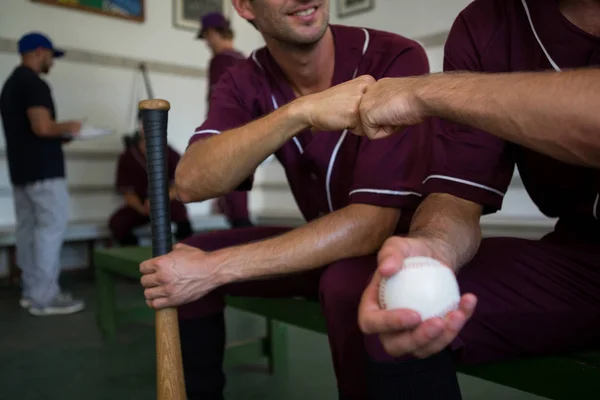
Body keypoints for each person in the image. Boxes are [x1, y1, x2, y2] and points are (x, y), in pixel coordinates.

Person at [139, 0, 431, 398]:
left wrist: (216, 268)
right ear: (244, 6)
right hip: (324, 245)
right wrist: (301, 112)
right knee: (182, 258)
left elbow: (371, 226)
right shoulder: (245, 78)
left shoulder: (394, 56)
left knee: (347, 285)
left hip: (397, 254)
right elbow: (191, 181)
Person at [353, 0, 600, 399]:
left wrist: (425, 91)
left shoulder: (423, 82)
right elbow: (456, 193)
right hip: (585, 258)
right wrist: (433, 248)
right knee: (398, 311)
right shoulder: (487, 22)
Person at [0, 32, 85, 316]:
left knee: (28, 231)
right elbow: (42, 128)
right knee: (50, 230)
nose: (52, 61)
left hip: (21, 172)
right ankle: (46, 298)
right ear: (39, 52)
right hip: (45, 172)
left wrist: (60, 136)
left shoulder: (11, 85)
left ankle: (31, 291)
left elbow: (30, 132)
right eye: (51, 55)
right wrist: (70, 127)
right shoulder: (34, 84)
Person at [197, 11, 253, 228]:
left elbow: (216, 104)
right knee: (239, 196)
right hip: (248, 133)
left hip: (226, 136)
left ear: (212, 33)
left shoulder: (219, 60)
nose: (206, 43)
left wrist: (207, 136)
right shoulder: (245, 60)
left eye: (206, 37)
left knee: (233, 205)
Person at [108, 112, 193, 246]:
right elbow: (127, 192)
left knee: (180, 213)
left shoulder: (170, 154)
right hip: (141, 206)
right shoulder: (128, 156)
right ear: (140, 125)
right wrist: (142, 208)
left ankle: (186, 252)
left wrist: (159, 201)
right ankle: (133, 255)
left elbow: (178, 186)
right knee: (118, 222)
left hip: (166, 203)